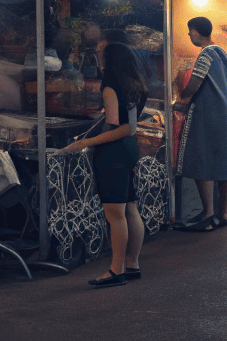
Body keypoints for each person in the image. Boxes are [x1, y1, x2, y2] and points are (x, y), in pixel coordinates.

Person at [62, 40, 148, 286]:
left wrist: (85, 142)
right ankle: (132, 263)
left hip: (114, 151)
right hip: (130, 149)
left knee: (115, 214)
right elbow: (129, 125)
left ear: (110, 61)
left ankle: (115, 270)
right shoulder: (137, 85)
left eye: (101, 55)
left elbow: (120, 127)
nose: (98, 59)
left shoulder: (110, 85)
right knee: (130, 208)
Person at [173, 16, 227, 232]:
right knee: (225, 162)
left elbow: (195, 83)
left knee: (201, 160)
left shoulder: (205, 54)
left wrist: (180, 98)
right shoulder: (222, 53)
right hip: (225, 113)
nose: (189, 36)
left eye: (189, 32)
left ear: (194, 32)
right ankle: (223, 214)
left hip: (207, 114)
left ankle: (208, 214)